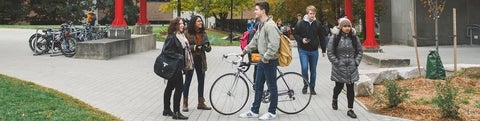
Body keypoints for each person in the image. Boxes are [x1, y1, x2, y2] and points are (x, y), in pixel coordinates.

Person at [239, 1, 280, 120]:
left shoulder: (271, 26)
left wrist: (266, 57)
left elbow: (274, 45)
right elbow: (255, 40)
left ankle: (272, 112)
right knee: (258, 86)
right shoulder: (261, 25)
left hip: (269, 60)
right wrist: (244, 51)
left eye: (256, 9)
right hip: (263, 60)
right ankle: (254, 110)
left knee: (272, 87)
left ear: (263, 11)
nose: (254, 11)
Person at [327, 17, 363, 119]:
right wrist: (337, 63)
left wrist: (356, 62)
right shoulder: (335, 37)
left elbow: (359, 51)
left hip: (352, 66)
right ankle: (335, 98)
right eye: (345, 26)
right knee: (338, 87)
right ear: (341, 27)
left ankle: (350, 109)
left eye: (348, 26)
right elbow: (330, 52)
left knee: (350, 88)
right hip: (339, 67)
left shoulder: (354, 37)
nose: (347, 28)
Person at [293, 5, 327, 95]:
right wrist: (301, 40)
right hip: (303, 50)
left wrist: (323, 50)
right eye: (311, 13)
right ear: (307, 13)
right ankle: (305, 84)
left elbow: (322, 37)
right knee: (304, 68)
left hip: (314, 50)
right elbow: (295, 34)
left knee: (313, 70)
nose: (312, 15)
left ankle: (312, 87)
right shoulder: (300, 23)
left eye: (314, 13)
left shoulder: (318, 23)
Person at [182, 15, 212, 112]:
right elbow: (184, 47)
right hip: (191, 59)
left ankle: (201, 103)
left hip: (200, 59)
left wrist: (207, 45)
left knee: (201, 80)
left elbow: (208, 49)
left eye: (201, 21)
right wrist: (195, 47)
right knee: (188, 81)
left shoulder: (203, 33)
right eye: (199, 21)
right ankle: (185, 103)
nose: (201, 23)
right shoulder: (187, 33)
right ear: (194, 22)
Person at [162, 17, 189, 120]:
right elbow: (166, 51)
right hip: (174, 67)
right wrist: (179, 56)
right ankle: (176, 113)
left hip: (177, 66)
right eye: (180, 24)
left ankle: (166, 110)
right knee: (179, 88)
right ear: (175, 26)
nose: (182, 25)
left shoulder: (180, 36)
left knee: (169, 87)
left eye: (183, 23)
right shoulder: (172, 37)